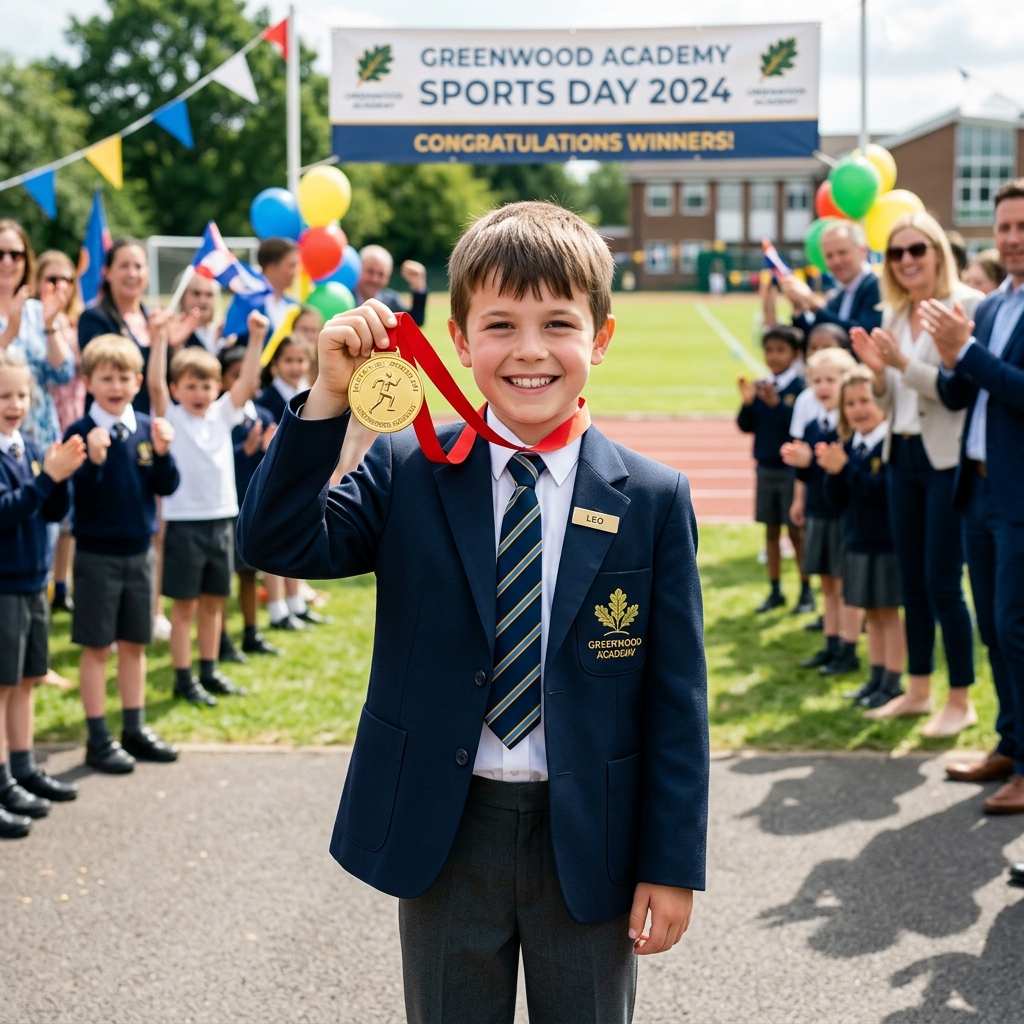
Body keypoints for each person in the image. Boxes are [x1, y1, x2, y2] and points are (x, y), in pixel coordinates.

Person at [238, 201, 708, 1023]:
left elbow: (677, 701)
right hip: (447, 830)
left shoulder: (654, 499)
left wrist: (672, 864)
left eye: (558, 323)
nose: (529, 351)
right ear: (458, 341)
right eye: (500, 325)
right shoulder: (410, 467)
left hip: (588, 839)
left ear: (599, 338)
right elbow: (278, 540)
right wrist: (327, 396)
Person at [851, 212, 983, 737]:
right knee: (912, 580)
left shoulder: (966, 307)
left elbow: (958, 391)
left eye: (917, 250)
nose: (907, 260)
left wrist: (902, 364)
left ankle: (961, 699)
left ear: (937, 253)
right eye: (897, 252)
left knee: (943, 582)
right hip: (900, 456)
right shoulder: (894, 310)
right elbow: (892, 398)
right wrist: (881, 375)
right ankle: (919, 689)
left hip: (946, 461)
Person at [932, 179, 1024, 814]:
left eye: (1021, 227)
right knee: (994, 625)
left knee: (1018, 629)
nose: (1012, 239)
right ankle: (1011, 744)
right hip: (979, 489)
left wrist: (966, 352)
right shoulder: (991, 306)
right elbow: (963, 392)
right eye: (1005, 228)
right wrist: (950, 357)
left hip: (1019, 496)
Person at [63, 334, 181, 773]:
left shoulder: (147, 429)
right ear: (89, 382)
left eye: (125, 377)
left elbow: (165, 487)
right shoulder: (79, 432)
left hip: (140, 551)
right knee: (98, 648)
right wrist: (92, 462)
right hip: (96, 555)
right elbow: (78, 501)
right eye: (106, 377)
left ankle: (135, 727)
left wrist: (166, 455)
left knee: (135, 643)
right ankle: (98, 737)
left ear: (137, 382)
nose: (116, 385)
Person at [148, 308, 268, 706]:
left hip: (221, 520)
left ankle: (209, 670)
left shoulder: (221, 414)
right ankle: (183, 678)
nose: (199, 393)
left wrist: (255, 338)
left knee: (216, 602)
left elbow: (248, 383)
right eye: (191, 385)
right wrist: (161, 336)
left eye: (206, 385)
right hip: (184, 525)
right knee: (185, 606)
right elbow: (153, 387)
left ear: (216, 387)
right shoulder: (171, 417)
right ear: (177, 388)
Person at [0, 348, 85, 838]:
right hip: (6, 587)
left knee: (28, 679)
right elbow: (9, 510)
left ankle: (22, 766)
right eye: (4, 395)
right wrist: (45, 480)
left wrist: (60, 479)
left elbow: (51, 513)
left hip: (33, 583)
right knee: (4, 685)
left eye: (21, 394)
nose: (14, 403)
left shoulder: (30, 447)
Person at [818, 365, 906, 710]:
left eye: (865, 400)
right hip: (857, 540)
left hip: (884, 543)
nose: (858, 409)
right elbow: (836, 501)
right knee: (871, 612)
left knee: (887, 614)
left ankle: (893, 681)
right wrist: (833, 472)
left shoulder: (888, 447)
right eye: (850, 403)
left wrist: (847, 469)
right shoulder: (850, 445)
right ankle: (876, 677)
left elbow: (881, 494)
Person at [782, 347, 861, 675]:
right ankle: (830, 644)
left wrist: (813, 461)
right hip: (817, 510)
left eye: (832, 379)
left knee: (845, 584)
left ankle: (849, 648)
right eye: (817, 380)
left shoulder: (851, 428)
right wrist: (799, 500)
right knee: (827, 582)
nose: (824, 386)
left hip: (843, 514)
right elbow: (804, 471)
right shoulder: (815, 424)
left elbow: (846, 469)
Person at [738, 325, 813, 614]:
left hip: (790, 472)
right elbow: (747, 426)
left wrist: (777, 404)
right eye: (769, 350)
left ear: (795, 354)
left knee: (796, 532)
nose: (774, 357)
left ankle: (806, 591)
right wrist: (748, 404)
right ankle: (775, 589)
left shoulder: (800, 391)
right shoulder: (762, 385)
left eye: (781, 351)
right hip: (765, 469)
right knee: (771, 531)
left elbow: (796, 429)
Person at [218, 345, 281, 659]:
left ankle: (251, 632)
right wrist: (246, 448)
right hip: (225, 506)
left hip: (250, 506)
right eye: (236, 375)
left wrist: (270, 450)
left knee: (248, 573)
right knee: (220, 580)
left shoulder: (265, 415)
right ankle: (219, 638)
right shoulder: (220, 417)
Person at [36, 251, 86, 616]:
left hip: (74, 419)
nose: (59, 287)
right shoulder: (31, 321)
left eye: (66, 279)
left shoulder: (78, 321)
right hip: (42, 422)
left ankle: (61, 585)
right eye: (52, 279)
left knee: (68, 516)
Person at [0, 221, 77, 454]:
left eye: (16, 255)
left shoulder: (36, 310)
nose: (7, 262)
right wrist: (9, 334)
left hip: (42, 438)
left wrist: (49, 326)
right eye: (0, 253)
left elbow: (63, 374)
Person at [766, 221, 883, 336]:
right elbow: (816, 338)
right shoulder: (839, 294)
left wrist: (814, 304)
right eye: (829, 256)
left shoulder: (877, 287)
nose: (836, 261)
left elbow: (864, 335)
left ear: (863, 251)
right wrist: (799, 307)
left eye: (842, 253)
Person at [354, 244, 428, 327]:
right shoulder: (344, 298)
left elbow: (415, 322)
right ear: (358, 268)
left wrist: (418, 286)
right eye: (370, 271)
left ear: (388, 276)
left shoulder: (392, 302)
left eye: (381, 274)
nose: (375, 279)